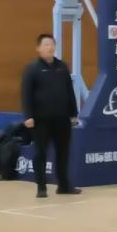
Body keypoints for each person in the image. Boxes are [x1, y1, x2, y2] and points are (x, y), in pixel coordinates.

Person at [21, 33, 80, 198]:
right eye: (46, 44)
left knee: (63, 153)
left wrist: (73, 113)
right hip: (41, 121)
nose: (50, 47)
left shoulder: (62, 67)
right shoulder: (32, 68)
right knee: (40, 153)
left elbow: (69, 91)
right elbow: (26, 94)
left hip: (62, 119)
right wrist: (28, 116)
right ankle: (41, 187)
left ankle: (64, 186)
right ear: (38, 49)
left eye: (52, 44)